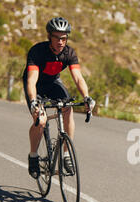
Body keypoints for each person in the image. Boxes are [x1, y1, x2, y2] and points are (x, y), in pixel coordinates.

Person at [22, 17, 95, 178]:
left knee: (68, 109)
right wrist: (34, 101)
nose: (61, 42)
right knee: (40, 120)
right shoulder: (37, 51)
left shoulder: (69, 53)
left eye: (64, 38)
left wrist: (87, 97)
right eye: (57, 38)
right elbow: (31, 79)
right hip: (36, 86)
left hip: (53, 82)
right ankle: (33, 155)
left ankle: (66, 155)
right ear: (49, 37)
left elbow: (78, 78)